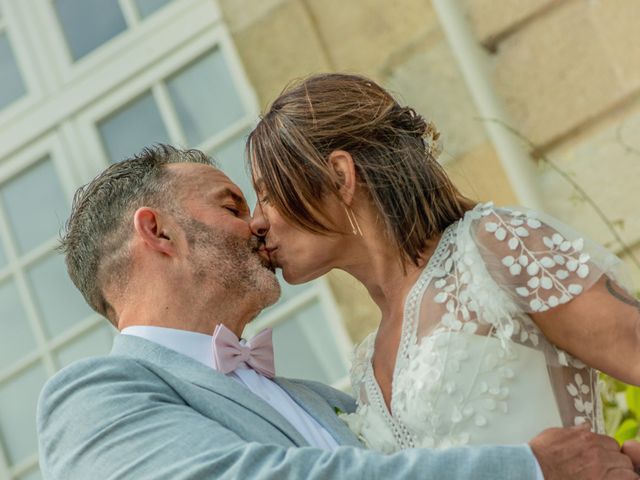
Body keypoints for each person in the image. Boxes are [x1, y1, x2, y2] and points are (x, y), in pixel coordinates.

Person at [37, 145, 638, 480]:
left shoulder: (332, 399)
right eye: (233, 204)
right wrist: (528, 471)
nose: (258, 225)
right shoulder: (93, 401)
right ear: (158, 231)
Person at [247, 73, 640, 458]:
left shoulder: (491, 250)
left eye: (267, 194)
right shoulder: (366, 365)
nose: (256, 221)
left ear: (340, 176)